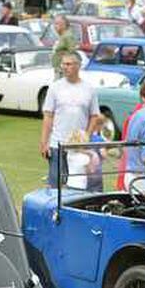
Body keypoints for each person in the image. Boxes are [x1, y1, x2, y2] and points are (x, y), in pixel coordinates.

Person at [40, 52, 99, 187]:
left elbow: (94, 115)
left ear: (78, 66)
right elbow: (48, 115)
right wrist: (44, 142)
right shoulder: (55, 87)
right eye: (63, 64)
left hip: (78, 147)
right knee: (55, 185)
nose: (65, 67)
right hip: (57, 144)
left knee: (77, 184)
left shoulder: (89, 89)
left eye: (68, 64)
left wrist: (86, 136)